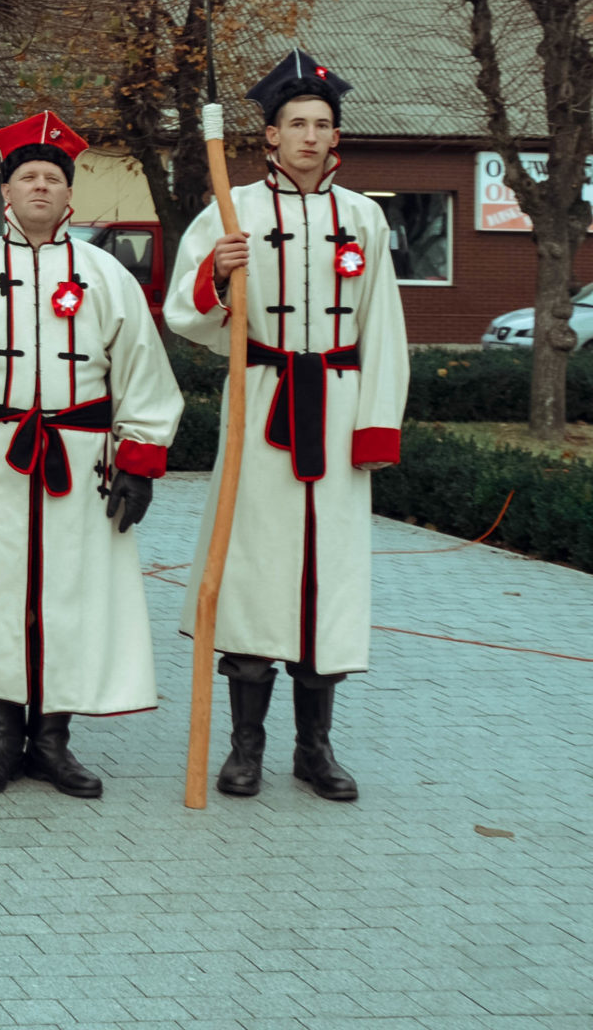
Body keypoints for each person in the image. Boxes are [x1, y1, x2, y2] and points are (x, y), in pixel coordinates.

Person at [0, 112, 184, 798]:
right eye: (28, 177)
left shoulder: (105, 275)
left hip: (81, 464)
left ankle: (52, 742)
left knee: (66, 600)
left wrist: (139, 464)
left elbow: (144, 374)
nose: (40, 187)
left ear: (68, 193)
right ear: (8, 191)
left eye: (53, 177)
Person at [164, 53, 408, 802]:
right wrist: (214, 275)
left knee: (326, 576)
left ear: (336, 138)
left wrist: (376, 425)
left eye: (321, 125)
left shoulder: (363, 217)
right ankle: (245, 749)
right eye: (295, 124)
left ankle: (316, 747)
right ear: (270, 136)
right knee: (254, 571)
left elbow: (386, 328)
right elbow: (183, 313)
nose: (309, 136)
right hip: (261, 402)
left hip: (336, 409)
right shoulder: (234, 211)